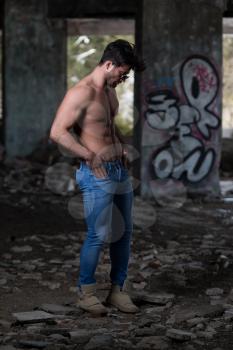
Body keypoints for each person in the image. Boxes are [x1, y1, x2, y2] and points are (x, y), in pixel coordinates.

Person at [49, 39, 145, 315]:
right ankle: (86, 293)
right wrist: (89, 155)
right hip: (96, 173)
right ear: (108, 64)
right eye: (122, 73)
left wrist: (123, 145)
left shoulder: (110, 91)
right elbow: (57, 131)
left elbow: (108, 128)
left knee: (124, 234)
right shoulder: (81, 93)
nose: (123, 79)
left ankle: (117, 291)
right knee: (99, 234)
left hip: (118, 171)